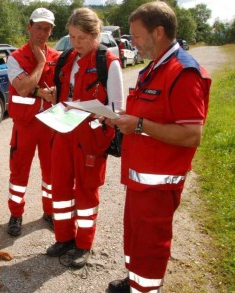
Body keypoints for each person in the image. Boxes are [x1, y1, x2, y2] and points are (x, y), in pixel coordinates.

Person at [106, 2, 211, 292]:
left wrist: (138, 124)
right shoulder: (153, 68)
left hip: (158, 187)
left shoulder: (183, 73)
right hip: (140, 179)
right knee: (136, 239)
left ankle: (145, 287)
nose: (132, 43)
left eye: (136, 36)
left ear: (159, 32)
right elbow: (148, 115)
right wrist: (121, 120)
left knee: (151, 247)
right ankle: (134, 281)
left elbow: (192, 135)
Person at [45, 7, 124, 268]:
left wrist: (98, 115)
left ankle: (84, 244)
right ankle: (64, 237)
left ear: (95, 35)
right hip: (64, 131)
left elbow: (117, 108)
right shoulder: (67, 58)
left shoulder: (108, 63)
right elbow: (62, 92)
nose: (75, 43)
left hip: (90, 137)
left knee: (87, 193)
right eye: (72, 37)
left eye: (81, 38)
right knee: (60, 187)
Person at [6, 7, 60, 236]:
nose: (42, 33)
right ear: (29, 27)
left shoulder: (59, 57)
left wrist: (57, 92)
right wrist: (40, 63)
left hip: (51, 125)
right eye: (38, 27)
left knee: (51, 173)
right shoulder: (15, 58)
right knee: (19, 173)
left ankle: (49, 212)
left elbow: (66, 88)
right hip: (25, 126)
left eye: (47, 29)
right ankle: (16, 214)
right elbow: (23, 87)